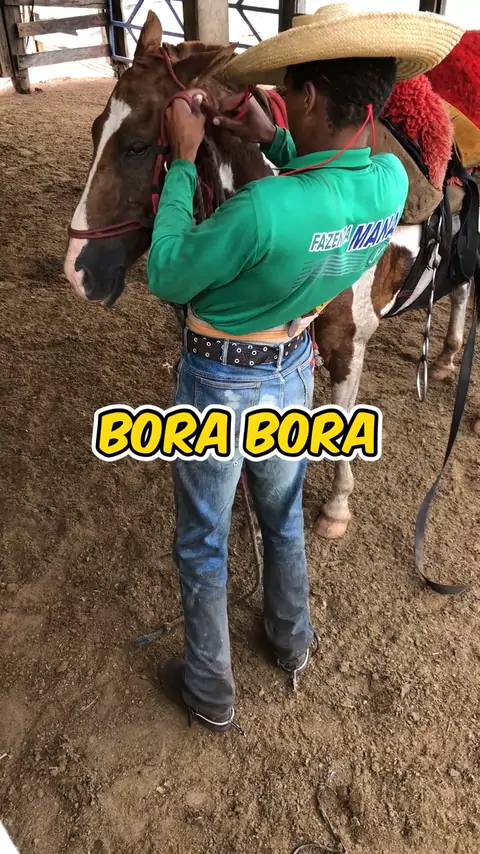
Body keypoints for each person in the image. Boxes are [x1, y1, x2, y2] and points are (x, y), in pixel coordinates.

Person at [146, 3, 463, 734]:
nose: (284, 99)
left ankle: (210, 689)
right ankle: (291, 639)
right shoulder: (388, 180)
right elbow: (323, 184)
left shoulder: (260, 209)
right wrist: (275, 137)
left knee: (202, 539)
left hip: (220, 382)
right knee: (283, 515)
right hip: (292, 373)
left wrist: (185, 161)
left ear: (312, 96)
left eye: (290, 92)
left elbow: (167, 271)